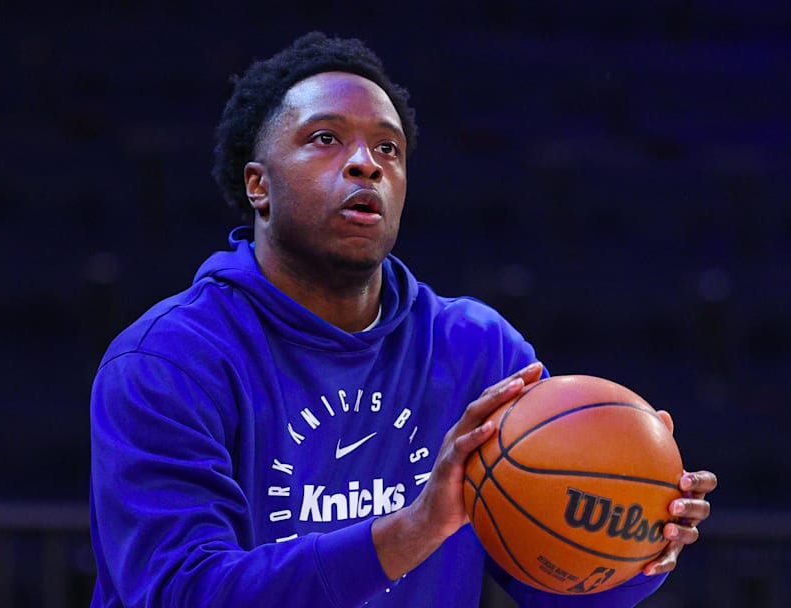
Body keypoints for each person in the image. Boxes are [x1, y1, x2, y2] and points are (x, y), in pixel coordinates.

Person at [89, 31, 717, 607]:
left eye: (387, 147)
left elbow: (556, 589)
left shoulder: (477, 350)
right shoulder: (166, 362)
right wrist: (414, 529)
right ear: (259, 185)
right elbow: (184, 593)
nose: (366, 163)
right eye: (324, 138)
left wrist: (637, 539)